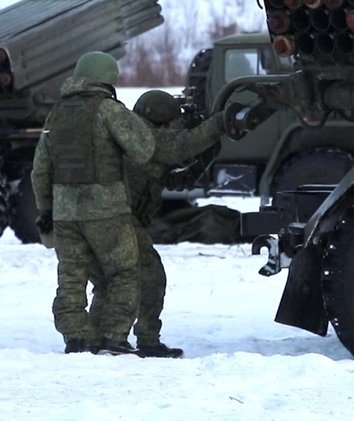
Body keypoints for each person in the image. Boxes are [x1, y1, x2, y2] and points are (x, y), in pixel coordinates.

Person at [30, 52, 228, 357]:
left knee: (73, 278)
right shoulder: (110, 111)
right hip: (107, 211)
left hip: (66, 212)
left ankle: (80, 338)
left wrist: (46, 211)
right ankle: (118, 338)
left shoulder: (57, 113)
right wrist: (216, 126)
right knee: (128, 274)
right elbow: (151, 149)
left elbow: (40, 169)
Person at [85, 89, 224, 358]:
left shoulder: (133, 138)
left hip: (105, 218)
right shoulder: (146, 138)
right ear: (162, 121)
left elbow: (178, 180)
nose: (176, 127)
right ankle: (145, 339)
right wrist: (219, 124)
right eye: (174, 122)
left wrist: (211, 148)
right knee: (151, 277)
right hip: (118, 218)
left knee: (108, 281)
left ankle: (96, 339)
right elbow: (184, 145)